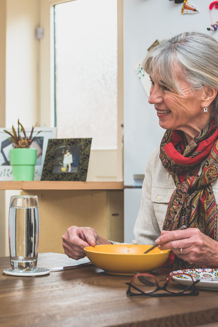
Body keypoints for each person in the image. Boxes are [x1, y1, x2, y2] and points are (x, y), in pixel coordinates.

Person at [63, 32, 218, 269]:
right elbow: (147, 250)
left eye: (165, 87)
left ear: (207, 93)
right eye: (152, 83)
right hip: (176, 300)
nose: (152, 97)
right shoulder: (160, 161)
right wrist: (95, 245)